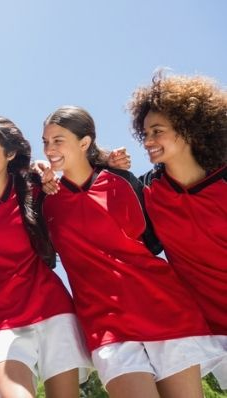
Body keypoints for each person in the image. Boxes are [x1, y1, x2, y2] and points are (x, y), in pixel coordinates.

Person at [40, 105, 224, 398]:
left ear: (84, 143)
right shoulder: (44, 199)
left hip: (164, 309)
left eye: (58, 140)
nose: (50, 149)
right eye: (45, 141)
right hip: (106, 323)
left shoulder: (123, 181)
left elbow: (154, 243)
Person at [0, 116, 91, 398]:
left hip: (52, 309)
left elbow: (81, 178)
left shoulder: (34, 187)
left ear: (10, 154)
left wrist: (111, 160)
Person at [127, 72, 227, 389]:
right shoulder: (150, 191)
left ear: (191, 129)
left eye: (158, 131)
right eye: (145, 133)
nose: (148, 141)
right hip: (212, 331)